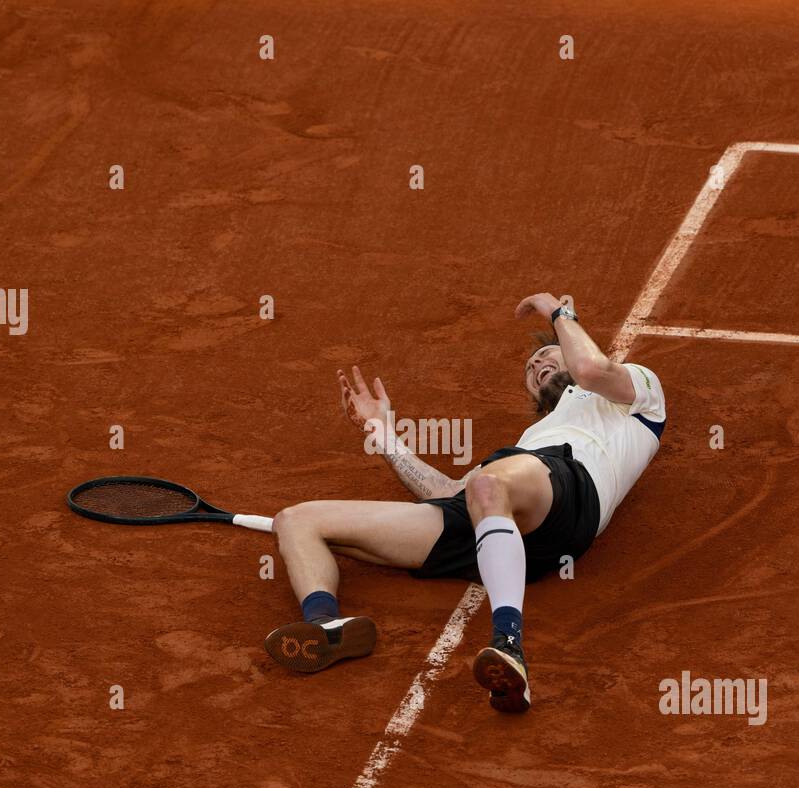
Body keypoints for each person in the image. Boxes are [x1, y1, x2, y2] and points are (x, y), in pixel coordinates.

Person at [264, 292, 666, 713]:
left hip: (572, 494)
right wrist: (381, 435)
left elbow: (589, 368)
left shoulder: (637, 390)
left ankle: (508, 641)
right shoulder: (530, 440)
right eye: (530, 368)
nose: (535, 365)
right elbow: (449, 493)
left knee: (488, 485)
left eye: (547, 355)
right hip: (506, 504)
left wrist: (557, 313)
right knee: (295, 520)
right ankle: (326, 626)